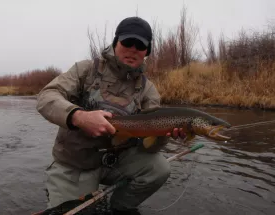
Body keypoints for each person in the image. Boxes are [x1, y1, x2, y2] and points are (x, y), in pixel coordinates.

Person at [36, 16, 185, 215]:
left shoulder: (148, 90)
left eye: (140, 45)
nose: (133, 49)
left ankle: (120, 207)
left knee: (159, 168)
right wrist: (79, 117)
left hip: (118, 161)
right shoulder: (85, 70)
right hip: (76, 162)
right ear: (116, 42)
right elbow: (46, 96)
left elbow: (150, 148)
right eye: (127, 42)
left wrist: (164, 135)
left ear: (146, 51)